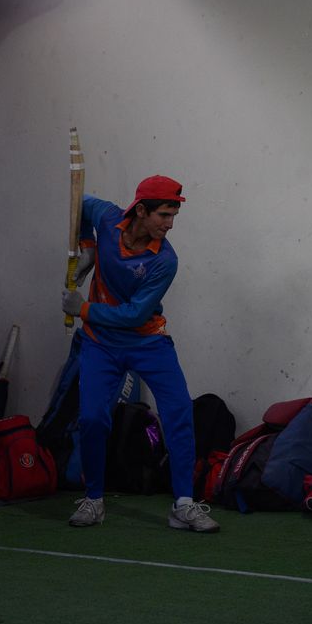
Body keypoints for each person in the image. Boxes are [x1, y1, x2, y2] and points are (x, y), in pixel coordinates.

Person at [60, 175, 219, 532]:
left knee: (179, 411)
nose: (169, 224)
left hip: (148, 342)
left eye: (174, 216)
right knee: (92, 419)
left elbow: (134, 314)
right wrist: (87, 246)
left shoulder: (165, 260)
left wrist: (82, 309)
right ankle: (94, 500)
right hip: (100, 344)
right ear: (141, 210)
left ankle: (183, 505)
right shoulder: (107, 219)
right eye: (163, 214)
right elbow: (80, 199)